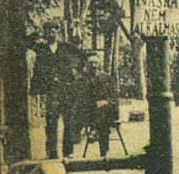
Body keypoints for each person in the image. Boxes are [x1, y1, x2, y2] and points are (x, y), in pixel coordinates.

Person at [29, 22, 80, 158]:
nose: (51, 33)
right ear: (45, 33)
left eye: (54, 30)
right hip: (51, 91)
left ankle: (68, 152)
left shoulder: (67, 47)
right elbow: (26, 43)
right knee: (51, 123)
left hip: (66, 90)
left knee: (68, 121)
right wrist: (36, 34)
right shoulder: (40, 48)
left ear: (58, 32)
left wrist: (75, 74)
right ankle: (51, 152)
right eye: (48, 30)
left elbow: (82, 56)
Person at [76, 50, 121, 158]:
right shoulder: (81, 79)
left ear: (99, 63)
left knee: (104, 110)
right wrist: (94, 103)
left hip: (106, 109)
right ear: (86, 64)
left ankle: (95, 131)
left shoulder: (106, 77)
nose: (94, 66)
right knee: (103, 120)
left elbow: (114, 96)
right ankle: (103, 152)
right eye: (91, 63)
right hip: (88, 111)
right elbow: (79, 98)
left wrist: (106, 101)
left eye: (95, 63)